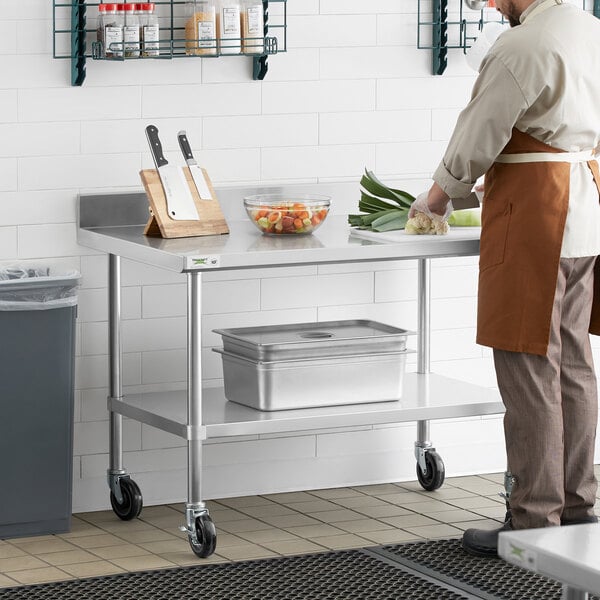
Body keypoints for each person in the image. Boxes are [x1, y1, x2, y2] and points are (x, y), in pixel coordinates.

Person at [409, 0, 600, 557]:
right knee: (573, 362)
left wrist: (439, 197)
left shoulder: (521, 47)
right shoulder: (590, 29)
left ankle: (533, 519)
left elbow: (479, 132)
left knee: (527, 366)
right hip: (587, 209)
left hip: (539, 217)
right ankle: (579, 509)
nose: (489, 4)